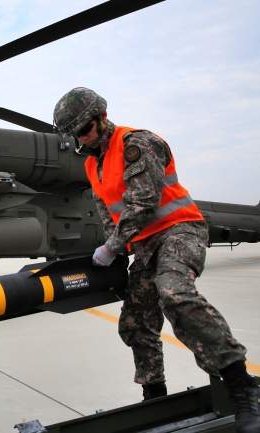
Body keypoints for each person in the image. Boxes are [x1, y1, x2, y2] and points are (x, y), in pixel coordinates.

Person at [53, 88, 260, 432]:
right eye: (75, 134)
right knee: (136, 320)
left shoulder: (137, 144)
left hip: (180, 230)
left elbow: (143, 203)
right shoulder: (93, 164)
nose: (81, 138)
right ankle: (155, 395)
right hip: (146, 244)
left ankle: (241, 385)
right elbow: (109, 215)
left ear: (101, 118)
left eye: (85, 129)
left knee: (175, 293)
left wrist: (111, 247)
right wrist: (115, 247)